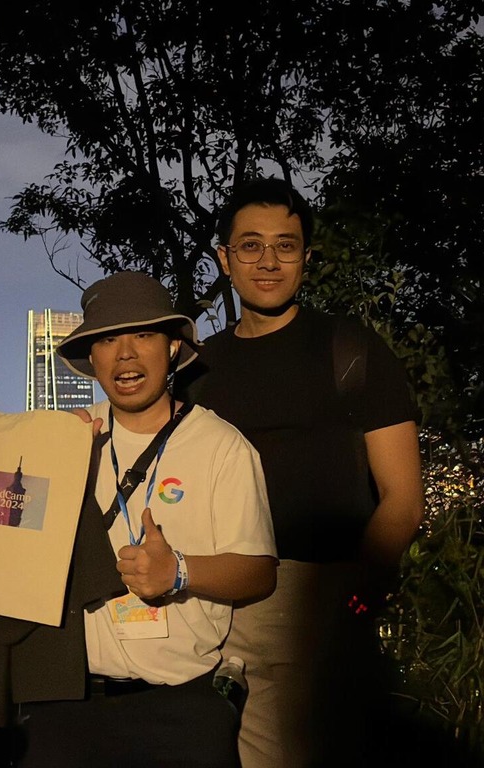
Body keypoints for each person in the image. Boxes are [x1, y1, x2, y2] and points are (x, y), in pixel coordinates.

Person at [0, 271, 277, 768]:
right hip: (65, 705)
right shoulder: (63, 441)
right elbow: (0, 543)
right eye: (108, 339)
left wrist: (178, 571)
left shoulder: (222, 446)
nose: (126, 353)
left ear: (174, 349)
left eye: (143, 334)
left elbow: (258, 570)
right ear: (91, 359)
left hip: (180, 711)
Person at [185, 177, 425, 768]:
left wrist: (355, 604)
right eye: (249, 245)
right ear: (224, 258)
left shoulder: (350, 351)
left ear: (306, 258)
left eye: (285, 245)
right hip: (213, 605)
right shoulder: (199, 369)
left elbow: (403, 499)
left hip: (314, 607)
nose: (268, 261)